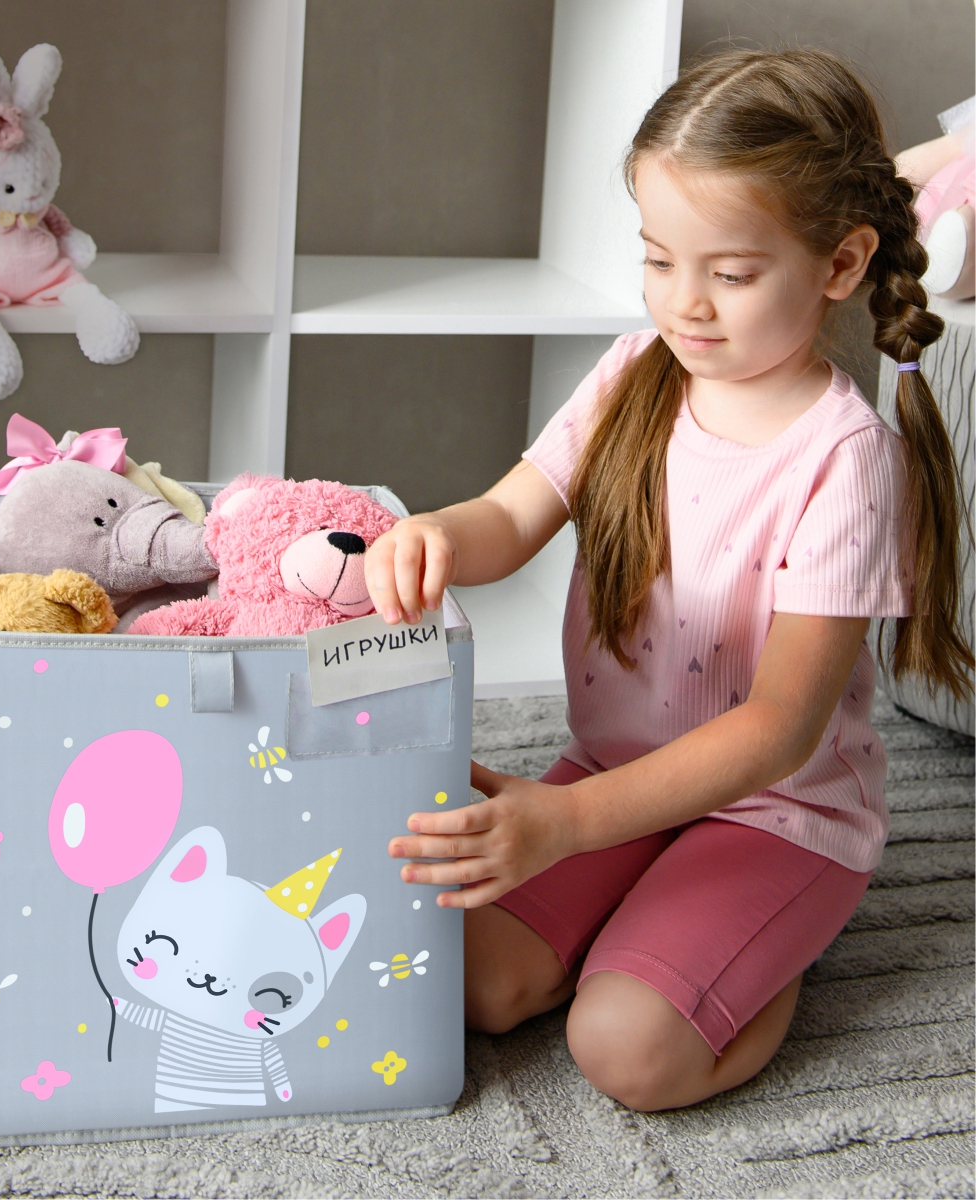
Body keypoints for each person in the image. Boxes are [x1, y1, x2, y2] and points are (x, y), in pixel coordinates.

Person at [364, 47, 974, 1113]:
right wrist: (431, 535)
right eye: (658, 260)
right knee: (467, 983)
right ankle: (655, 918)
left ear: (840, 264)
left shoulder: (847, 460)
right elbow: (508, 518)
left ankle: (766, 958)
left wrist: (564, 826)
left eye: (730, 274)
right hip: (616, 773)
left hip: (776, 809)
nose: (684, 305)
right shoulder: (636, 372)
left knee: (627, 1051)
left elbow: (779, 729)